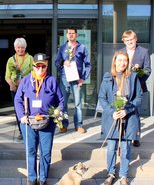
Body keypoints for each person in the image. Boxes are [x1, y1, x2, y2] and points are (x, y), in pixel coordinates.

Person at [15, 53, 64, 185]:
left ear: (46, 66)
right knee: (31, 151)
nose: (40, 69)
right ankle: (32, 178)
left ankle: (43, 179)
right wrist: (21, 116)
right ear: (33, 66)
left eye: (43, 67)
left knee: (45, 153)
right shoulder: (25, 80)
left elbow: (61, 100)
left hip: (47, 122)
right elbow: (18, 99)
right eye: (38, 66)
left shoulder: (52, 80)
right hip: (29, 122)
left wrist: (59, 110)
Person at [98, 51, 142, 185]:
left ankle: (123, 175)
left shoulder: (133, 77)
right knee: (111, 148)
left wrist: (127, 110)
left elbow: (139, 98)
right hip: (112, 119)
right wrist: (112, 112)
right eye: (119, 60)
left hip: (129, 119)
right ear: (114, 62)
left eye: (125, 60)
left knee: (126, 148)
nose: (122, 63)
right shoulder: (107, 77)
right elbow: (102, 98)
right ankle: (110, 173)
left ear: (128, 63)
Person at [55, 27, 91, 134]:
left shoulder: (82, 48)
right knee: (63, 103)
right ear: (66, 35)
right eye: (69, 33)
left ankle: (79, 125)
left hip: (77, 79)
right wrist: (62, 62)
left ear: (76, 35)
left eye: (72, 33)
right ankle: (64, 125)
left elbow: (88, 65)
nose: (70, 35)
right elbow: (56, 63)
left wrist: (83, 78)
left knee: (78, 103)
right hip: (64, 78)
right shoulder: (62, 48)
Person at [120, 30, 151, 147]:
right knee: (123, 112)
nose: (129, 42)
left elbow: (148, 70)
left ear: (135, 39)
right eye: (127, 40)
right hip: (123, 88)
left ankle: (136, 137)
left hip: (138, 88)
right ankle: (122, 135)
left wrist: (138, 74)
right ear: (123, 41)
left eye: (131, 40)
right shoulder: (120, 52)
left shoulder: (144, 52)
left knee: (135, 112)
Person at [5, 37, 33, 140]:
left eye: (22, 47)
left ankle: (30, 130)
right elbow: (7, 76)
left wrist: (24, 80)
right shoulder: (11, 60)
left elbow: (34, 73)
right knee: (18, 111)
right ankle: (22, 131)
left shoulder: (30, 58)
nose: (20, 50)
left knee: (29, 109)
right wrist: (11, 85)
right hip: (15, 89)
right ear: (15, 48)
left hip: (27, 88)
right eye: (18, 47)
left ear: (25, 48)